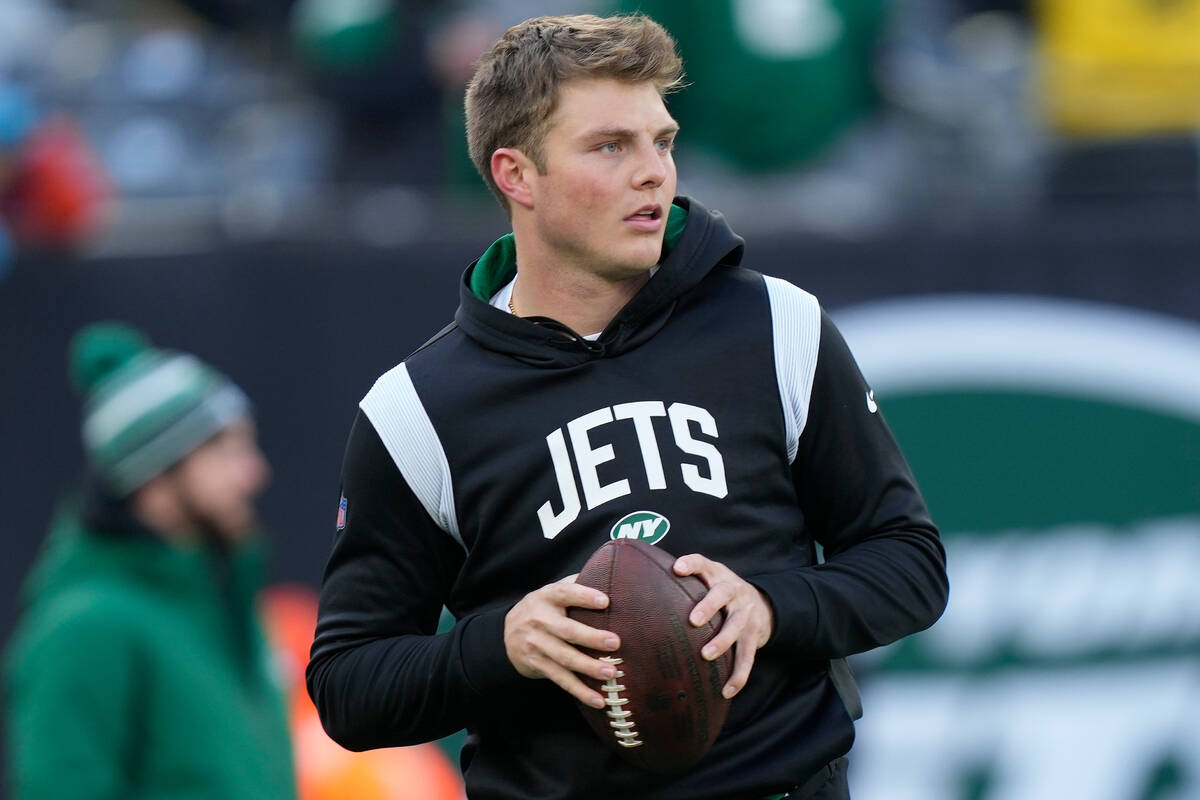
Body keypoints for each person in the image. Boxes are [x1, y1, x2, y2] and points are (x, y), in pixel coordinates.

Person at [307, 13, 948, 799]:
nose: (654, 173)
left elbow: (911, 565)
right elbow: (347, 685)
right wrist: (501, 643)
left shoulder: (776, 326)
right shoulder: (417, 411)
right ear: (517, 175)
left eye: (663, 141)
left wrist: (771, 606)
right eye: (610, 146)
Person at [4, 322, 297, 800]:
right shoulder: (84, 628)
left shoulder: (221, 603)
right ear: (155, 473)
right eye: (225, 449)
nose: (254, 473)